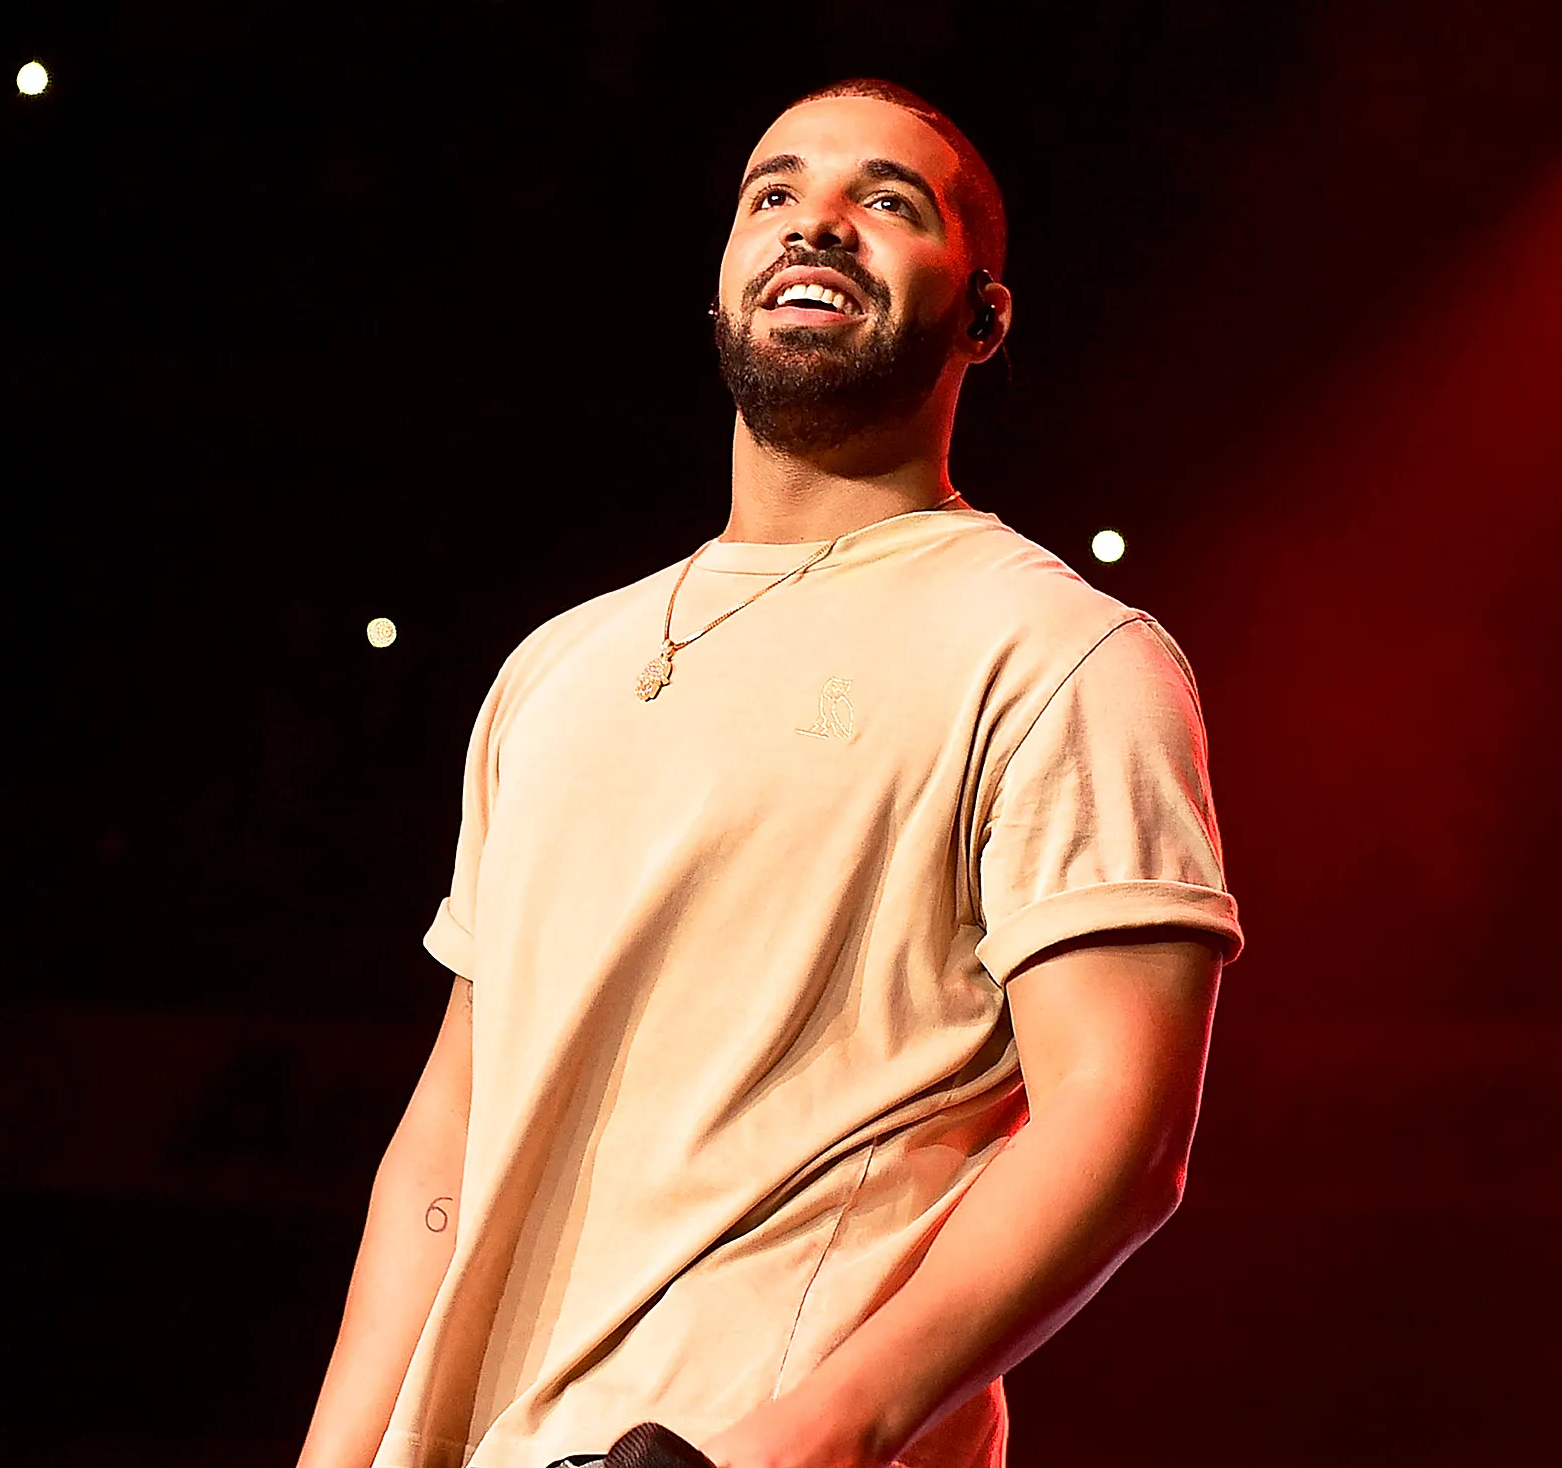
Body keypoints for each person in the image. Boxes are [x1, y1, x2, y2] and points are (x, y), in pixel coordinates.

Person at [295, 78, 1243, 1468]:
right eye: (775, 194)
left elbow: (1120, 1134)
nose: (818, 223)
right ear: (726, 276)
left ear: (984, 315)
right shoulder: (554, 668)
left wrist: (818, 1437)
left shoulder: (1060, 654)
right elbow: (448, 1138)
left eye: (887, 201)